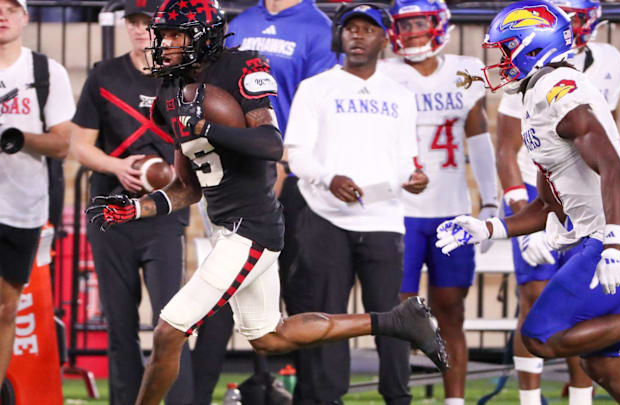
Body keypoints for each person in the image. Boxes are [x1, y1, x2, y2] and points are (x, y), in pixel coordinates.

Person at [84, 1, 448, 404]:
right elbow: (187, 187)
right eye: (163, 34)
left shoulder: (242, 68)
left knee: (169, 330)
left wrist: (206, 127)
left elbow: (271, 145)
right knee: (270, 337)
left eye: (175, 34)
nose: (165, 43)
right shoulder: (170, 89)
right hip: (227, 227)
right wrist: (139, 208)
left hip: (252, 227)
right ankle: (397, 320)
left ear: (202, 34)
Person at [435, 1, 620, 403]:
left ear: (533, 48)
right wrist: (488, 227)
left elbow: (615, 170)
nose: (500, 61)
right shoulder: (537, 94)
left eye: (506, 50)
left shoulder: (560, 92)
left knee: (541, 335)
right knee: (599, 361)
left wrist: (612, 245)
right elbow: (548, 203)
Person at [189, 2, 339, 401]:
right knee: (220, 289)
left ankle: (312, 395)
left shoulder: (317, 27)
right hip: (236, 174)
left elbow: (322, 105)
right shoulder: (242, 22)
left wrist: (284, 163)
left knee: (299, 289)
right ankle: (198, 394)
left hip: (290, 174)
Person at [283, 4, 431, 404]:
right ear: (340, 37)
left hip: (383, 217)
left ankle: (397, 397)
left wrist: (414, 178)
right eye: (352, 29)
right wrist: (328, 179)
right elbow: (295, 153)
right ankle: (324, 397)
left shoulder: (400, 95)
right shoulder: (316, 87)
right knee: (327, 317)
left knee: (394, 318)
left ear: (384, 38)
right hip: (324, 215)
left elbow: (405, 159)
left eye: (369, 29)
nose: (359, 36)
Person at [493, 0, 620, 402]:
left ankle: (580, 398)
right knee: (533, 297)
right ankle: (530, 399)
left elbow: (601, 139)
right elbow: (506, 149)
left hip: (584, 187)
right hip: (539, 186)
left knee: (583, 299)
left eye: (578, 16)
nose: (572, 25)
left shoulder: (609, 60)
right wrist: (521, 214)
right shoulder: (529, 63)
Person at [69, 0, 194, 403]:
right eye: (133, 22)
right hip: (110, 211)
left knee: (172, 321)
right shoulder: (104, 75)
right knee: (119, 323)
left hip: (163, 213)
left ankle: (179, 400)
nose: (141, 30)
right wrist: (118, 166)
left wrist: (175, 174)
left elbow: (197, 146)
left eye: (148, 23)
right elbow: (80, 147)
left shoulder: (182, 78)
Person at [377, 0, 496, 403]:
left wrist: (491, 202)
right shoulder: (384, 74)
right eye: (404, 23)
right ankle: (398, 395)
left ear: (437, 23)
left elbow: (480, 141)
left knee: (451, 311)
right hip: (400, 212)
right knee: (399, 315)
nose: (410, 31)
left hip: (452, 208)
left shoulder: (464, 70)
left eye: (418, 22)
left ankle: (454, 400)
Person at [0, 0, 74, 386]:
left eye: (11, 8)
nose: (3, 15)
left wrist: (16, 137)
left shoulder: (47, 72)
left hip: (23, 206)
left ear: (25, 17)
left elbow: (63, 145)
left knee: (6, 311)